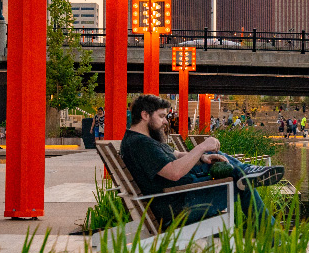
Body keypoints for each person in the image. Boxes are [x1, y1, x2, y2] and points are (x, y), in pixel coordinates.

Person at [121, 95, 284, 229]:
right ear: (145, 115)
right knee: (242, 182)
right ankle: (269, 234)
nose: (166, 121)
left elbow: (176, 154)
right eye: (162, 116)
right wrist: (202, 147)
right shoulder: (139, 144)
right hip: (178, 207)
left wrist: (202, 157)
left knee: (225, 164)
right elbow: (174, 172)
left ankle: (246, 172)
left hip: (180, 196)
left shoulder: (143, 140)